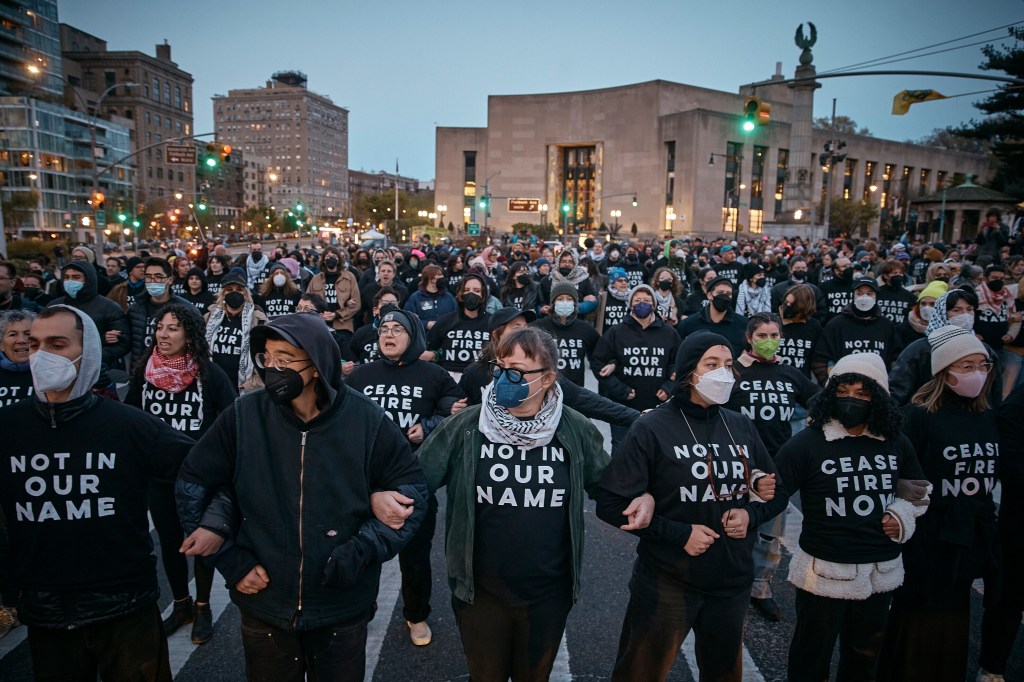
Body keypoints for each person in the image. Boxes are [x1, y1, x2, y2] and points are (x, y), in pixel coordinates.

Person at [176, 313, 428, 680]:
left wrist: (362, 550)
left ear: (316, 363)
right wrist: (231, 561)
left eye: (286, 358)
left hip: (341, 605)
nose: (274, 367)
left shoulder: (365, 418)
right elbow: (194, 483)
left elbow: (412, 493)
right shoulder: (244, 415)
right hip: (264, 604)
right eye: (268, 357)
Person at [416, 327, 642, 680]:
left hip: (547, 596)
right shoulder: (467, 426)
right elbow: (416, 482)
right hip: (480, 594)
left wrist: (642, 498)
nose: (506, 377)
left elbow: (608, 488)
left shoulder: (574, 428)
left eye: (518, 371)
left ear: (548, 378)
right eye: (501, 367)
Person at [0, 306, 195, 681]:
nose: (41, 356)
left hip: (125, 607)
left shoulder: (127, 425)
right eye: (35, 344)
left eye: (57, 344)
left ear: (86, 351)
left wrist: (211, 524)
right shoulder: (8, 429)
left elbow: (203, 467)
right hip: (46, 612)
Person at [594, 331, 786, 681]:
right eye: (711, 364)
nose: (722, 373)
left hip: (731, 581)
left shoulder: (740, 425)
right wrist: (678, 534)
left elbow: (776, 491)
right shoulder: (652, 426)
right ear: (688, 372)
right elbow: (609, 503)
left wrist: (750, 513)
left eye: (728, 365)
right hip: (669, 581)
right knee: (640, 673)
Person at [774, 352, 929, 682]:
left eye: (862, 393)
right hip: (824, 571)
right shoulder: (806, 444)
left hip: (879, 571)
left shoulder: (896, 443)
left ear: (879, 398)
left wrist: (901, 515)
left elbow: (919, 493)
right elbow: (773, 493)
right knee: (811, 654)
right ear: (830, 395)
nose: (851, 400)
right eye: (842, 392)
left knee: (863, 656)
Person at [877, 326, 999, 681]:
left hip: (969, 537)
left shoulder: (986, 415)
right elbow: (897, 474)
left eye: (982, 365)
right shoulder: (918, 416)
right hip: (928, 539)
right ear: (944, 371)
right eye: (966, 366)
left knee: (954, 624)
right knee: (917, 623)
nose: (977, 373)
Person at [348, 308, 461, 647]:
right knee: (362, 550)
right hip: (365, 482)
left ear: (413, 336)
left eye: (398, 329)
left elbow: (454, 410)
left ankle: (417, 613)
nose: (390, 334)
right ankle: (360, 610)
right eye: (385, 328)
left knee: (415, 557)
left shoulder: (435, 374)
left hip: (414, 481)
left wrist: (427, 427)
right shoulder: (360, 375)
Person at [125, 303, 236, 644]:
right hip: (158, 477)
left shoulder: (209, 373)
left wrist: (211, 455)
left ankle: (203, 607)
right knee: (171, 544)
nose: (164, 334)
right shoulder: (145, 370)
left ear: (189, 334)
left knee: (199, 543)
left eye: (173, 328)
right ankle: (181, 603)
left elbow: (230, 418)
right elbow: (129, 416)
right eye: (160, 327)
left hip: (198, 477)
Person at [727, 313, 818, 622]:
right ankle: (726, 581)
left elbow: (819, 401)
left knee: (770, 533)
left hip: (776, 466)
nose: (769, 341)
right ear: (749, 338)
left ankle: (759, 587)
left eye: (775, 335)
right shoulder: (735, 372)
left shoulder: (790, 373)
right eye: (762, 335)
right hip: (736, 463)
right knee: (731, 525)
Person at [594, 284, 681, 451]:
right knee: (622, 450)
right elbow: (598, 362)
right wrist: (619, 389)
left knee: (657, 451)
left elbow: (678, 362)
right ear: (630, 305)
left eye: (647, 300)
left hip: (658, 406)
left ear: (654, 305)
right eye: (638, 300)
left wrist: (669, 387)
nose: (643, 303)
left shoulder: (669, 333)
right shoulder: (616, 332)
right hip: (623, 406)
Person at [977, 381, 1024, 682]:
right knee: (1009, 599)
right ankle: (992, 667)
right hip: (1020, 524)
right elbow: (1009, 460)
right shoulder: (1018, 404)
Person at [890, 289, 1003, 405]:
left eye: (969, 310)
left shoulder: (984, 350)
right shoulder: (920, 349)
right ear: (942, 313)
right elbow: (899, 391)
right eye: (956, 310)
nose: (965, 315)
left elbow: (994, 392)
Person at [811, 276, 901, 383]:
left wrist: (889, 386)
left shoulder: (886, 326)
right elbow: (819, 359)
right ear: (853, 295)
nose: (864, 297)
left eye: (869, 293)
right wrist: (830, 385)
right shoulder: (836, 324)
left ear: (876, 296)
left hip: (878, 390)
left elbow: (897, 360)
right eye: (859, 293)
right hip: (844, 391)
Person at [50, 258, 131, 370]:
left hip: (99, 370)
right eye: (66, 277)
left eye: (76, 277)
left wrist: (93, 359)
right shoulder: (54, 307)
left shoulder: (109, 307)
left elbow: (123, 342)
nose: (70, 281)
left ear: (88, 280)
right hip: (60, 368)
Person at [204, 272, 269, 394]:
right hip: (213, 386)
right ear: (223, 294)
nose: (234, 293)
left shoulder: (258, 319)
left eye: (239, 290)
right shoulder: (210, 317)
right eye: (229, 290)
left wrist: (253, 385)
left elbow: (266, 356)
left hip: (241, 388)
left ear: (245, 293)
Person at [531, 280, 600, 387]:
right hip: (544, 388)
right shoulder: (537, 327)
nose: (564, 302)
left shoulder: (586, 330)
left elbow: (599, 358)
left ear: (575, 303)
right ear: (552, 303)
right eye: (560, 299)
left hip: (576, 392)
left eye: (569, 299)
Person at [127, 258, 190, 366]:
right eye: (148, 277)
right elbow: (127, 341)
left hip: (174, 371)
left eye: (158, 277)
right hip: (140, 371)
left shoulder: (185, 308)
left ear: (170, 280)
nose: (152, 281)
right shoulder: (135, 309)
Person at [423, 274, 491, 375]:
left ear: (483, 295)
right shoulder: (445, 321)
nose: (471, 294)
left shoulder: (492, 322)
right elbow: (429, 347)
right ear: (461, 294)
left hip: (481, 378)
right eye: (467, 290)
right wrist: (435, 355)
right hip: (448, 379)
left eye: (476, 291)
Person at [976, 263, 1021, 397]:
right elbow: (968, 317)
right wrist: (973, 334)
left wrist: (1010, 335)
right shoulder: (977, 295)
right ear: (986, 278)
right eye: (994, 278)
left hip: (1000, 347)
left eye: (1001, 278)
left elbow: (1016, 319)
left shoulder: (1007, 297)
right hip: (981, 348)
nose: (998, 281)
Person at [675, 276, 747, 353]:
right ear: (709, 295)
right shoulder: (688, 324)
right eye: (720, 293)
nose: (725, 297)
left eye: (728, 294)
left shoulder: (743, 324)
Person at [305, 247, 362, 336]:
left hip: (343, 327)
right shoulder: (315, 279)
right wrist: (318, 315)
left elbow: (356, 304)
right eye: (328, 256)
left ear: (339, 260)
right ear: (323, 260)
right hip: (320, 326)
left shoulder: (349, 277)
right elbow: (307, 301)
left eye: (334, 256)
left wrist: (336, 315)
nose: (331, 258)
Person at [777, 282, 824, 380]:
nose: (787, 306)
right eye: (786, 302)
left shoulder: (814, 326)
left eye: (792, 304)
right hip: (776, 378)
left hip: (800, 381)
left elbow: (817, 358)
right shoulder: (774, 322)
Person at [404, 264, 457, 331]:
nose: (442, 277)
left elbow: (456, 316)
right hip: (424, 337)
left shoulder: (449, 297)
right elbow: (408, 318)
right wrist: (426, 324)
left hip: (445, 337)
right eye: (439, 275)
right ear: (430, 278)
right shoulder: (416, 298)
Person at [896, 280, 948, 348]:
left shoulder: (949, 330)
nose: (926, 307)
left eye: (932, 304)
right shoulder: (903, 329)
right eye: (923, 303)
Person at [0, 309, 34, 407]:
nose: (21, 340)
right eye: (13, 334)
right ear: (1, 344)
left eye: (28, 334)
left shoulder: (50, 374)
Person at [599, 267, 632, 332]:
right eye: (620, 280)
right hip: (608, 337)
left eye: (626, 281)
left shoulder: (632, 297)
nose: (624, 283)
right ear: (613, 283)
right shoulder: (604, 297)